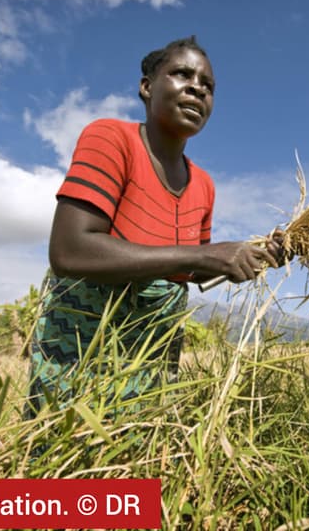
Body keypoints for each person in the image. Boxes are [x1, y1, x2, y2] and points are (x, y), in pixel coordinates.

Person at [26, 36, 285, 416]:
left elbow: (191, 269)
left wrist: (252, 256)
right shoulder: (110, 138)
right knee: (66, 461)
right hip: (82, 348)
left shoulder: (204, 184)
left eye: (208, 86)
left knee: (139, 457)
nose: (197, 87)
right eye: (182, 74)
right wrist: (204, 255)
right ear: (147, 87)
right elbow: (70, 250)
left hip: (155, 354)